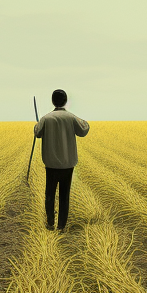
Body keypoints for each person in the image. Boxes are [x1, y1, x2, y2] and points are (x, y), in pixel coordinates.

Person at [34, 88, 89, 233]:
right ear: (65, 102)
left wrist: (36, 126)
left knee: (50, 193)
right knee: (65, 195)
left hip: (51, 163)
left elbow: (37, 133)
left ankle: (50, 222)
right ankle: (61, 226)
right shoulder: (71, 117)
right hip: (67, 163)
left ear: (53, 101)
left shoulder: (46, 118)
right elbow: (83, 130)